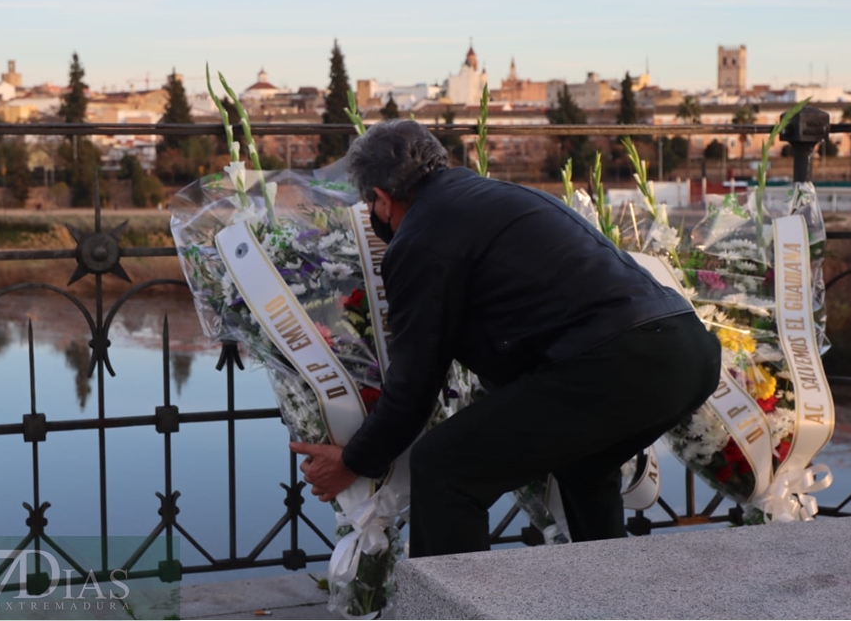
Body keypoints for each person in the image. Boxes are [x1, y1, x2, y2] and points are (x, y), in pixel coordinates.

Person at [291, 119, 721, 558]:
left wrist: (352, 461)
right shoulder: (495, 195)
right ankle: (608, 596)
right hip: (688, 350)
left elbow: (413, 386)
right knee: (585, 466)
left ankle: (454, 608)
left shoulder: (422, 236)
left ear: (381, 198)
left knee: (444, 468)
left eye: (370, 205)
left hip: (618, 360)